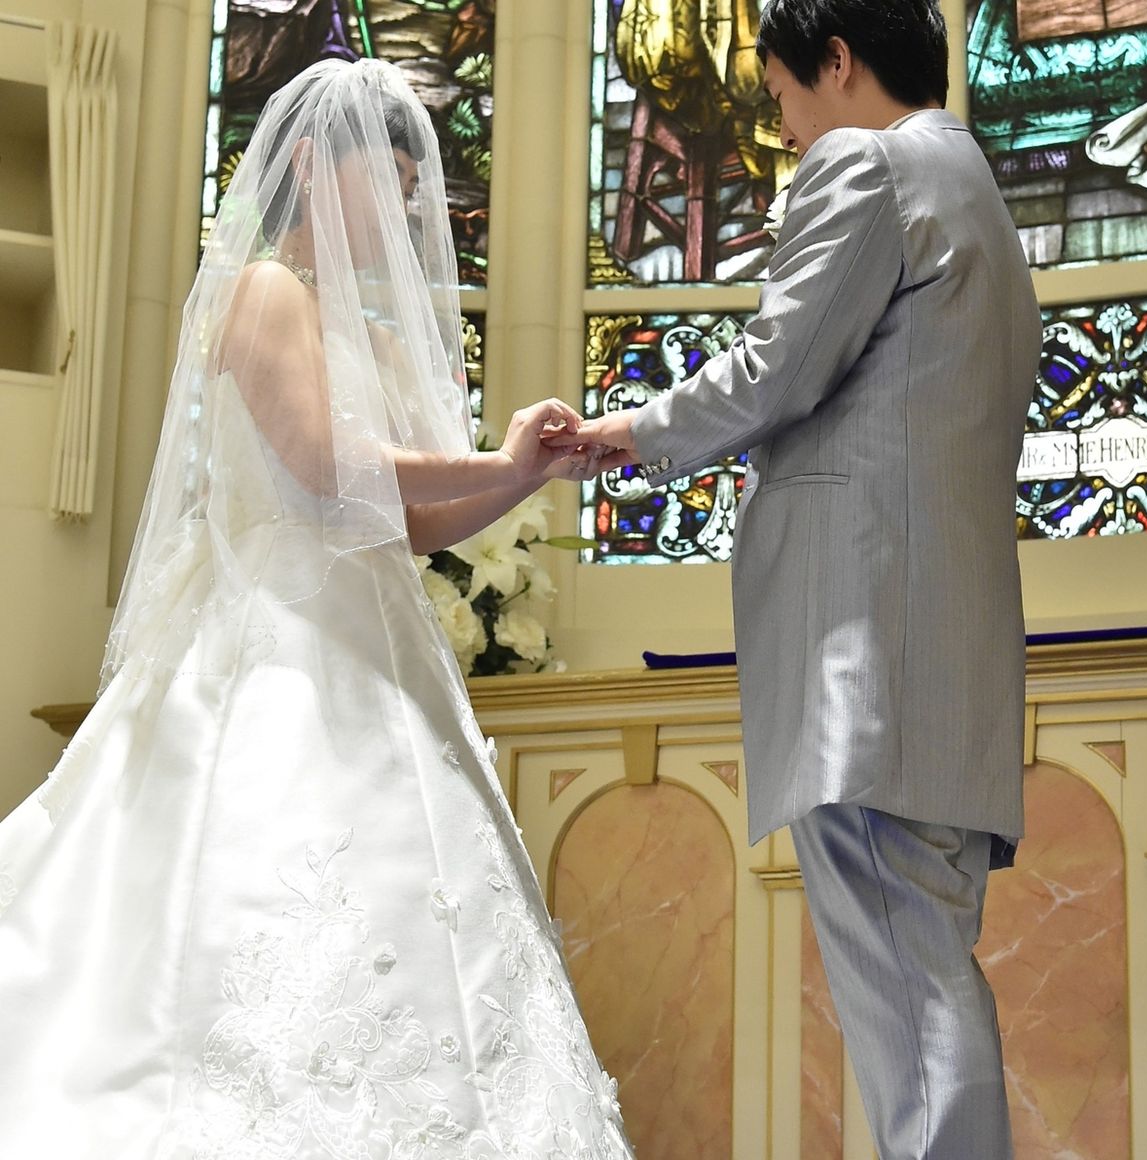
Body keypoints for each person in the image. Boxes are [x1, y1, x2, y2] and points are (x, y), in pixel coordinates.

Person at [0, 58, 633, 1160]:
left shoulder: (374, 339)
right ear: (306, 165)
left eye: (409, 186)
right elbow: (322, 466)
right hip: (277, 643)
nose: (402, 206)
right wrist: (496, 458)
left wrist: (526, 472)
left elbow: (414, 523)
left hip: (379, 642)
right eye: (384, 179)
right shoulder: (262, 291)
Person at [552, 2, 1041, 1157]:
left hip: (863, 652)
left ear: (837, 59)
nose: (779, 128)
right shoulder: (972, 186)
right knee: (927, 975)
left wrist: (623, 434)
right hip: (943, 654)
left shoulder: (867, 166)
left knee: (909, 1001)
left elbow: (776, 366)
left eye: (778, 96)